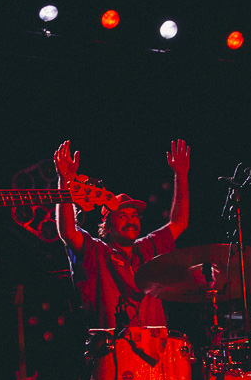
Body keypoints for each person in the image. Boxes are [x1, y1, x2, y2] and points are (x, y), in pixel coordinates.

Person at [53, 139, 190, 329]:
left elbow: (179, 222)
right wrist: (65, 180)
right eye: (122, 216)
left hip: (156, 353)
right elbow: (68, 232)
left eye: (134, 215)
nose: (131, 220)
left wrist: (181, 174)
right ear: (107, 227)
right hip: (112, 353)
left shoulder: (149, 246)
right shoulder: (97, 251)